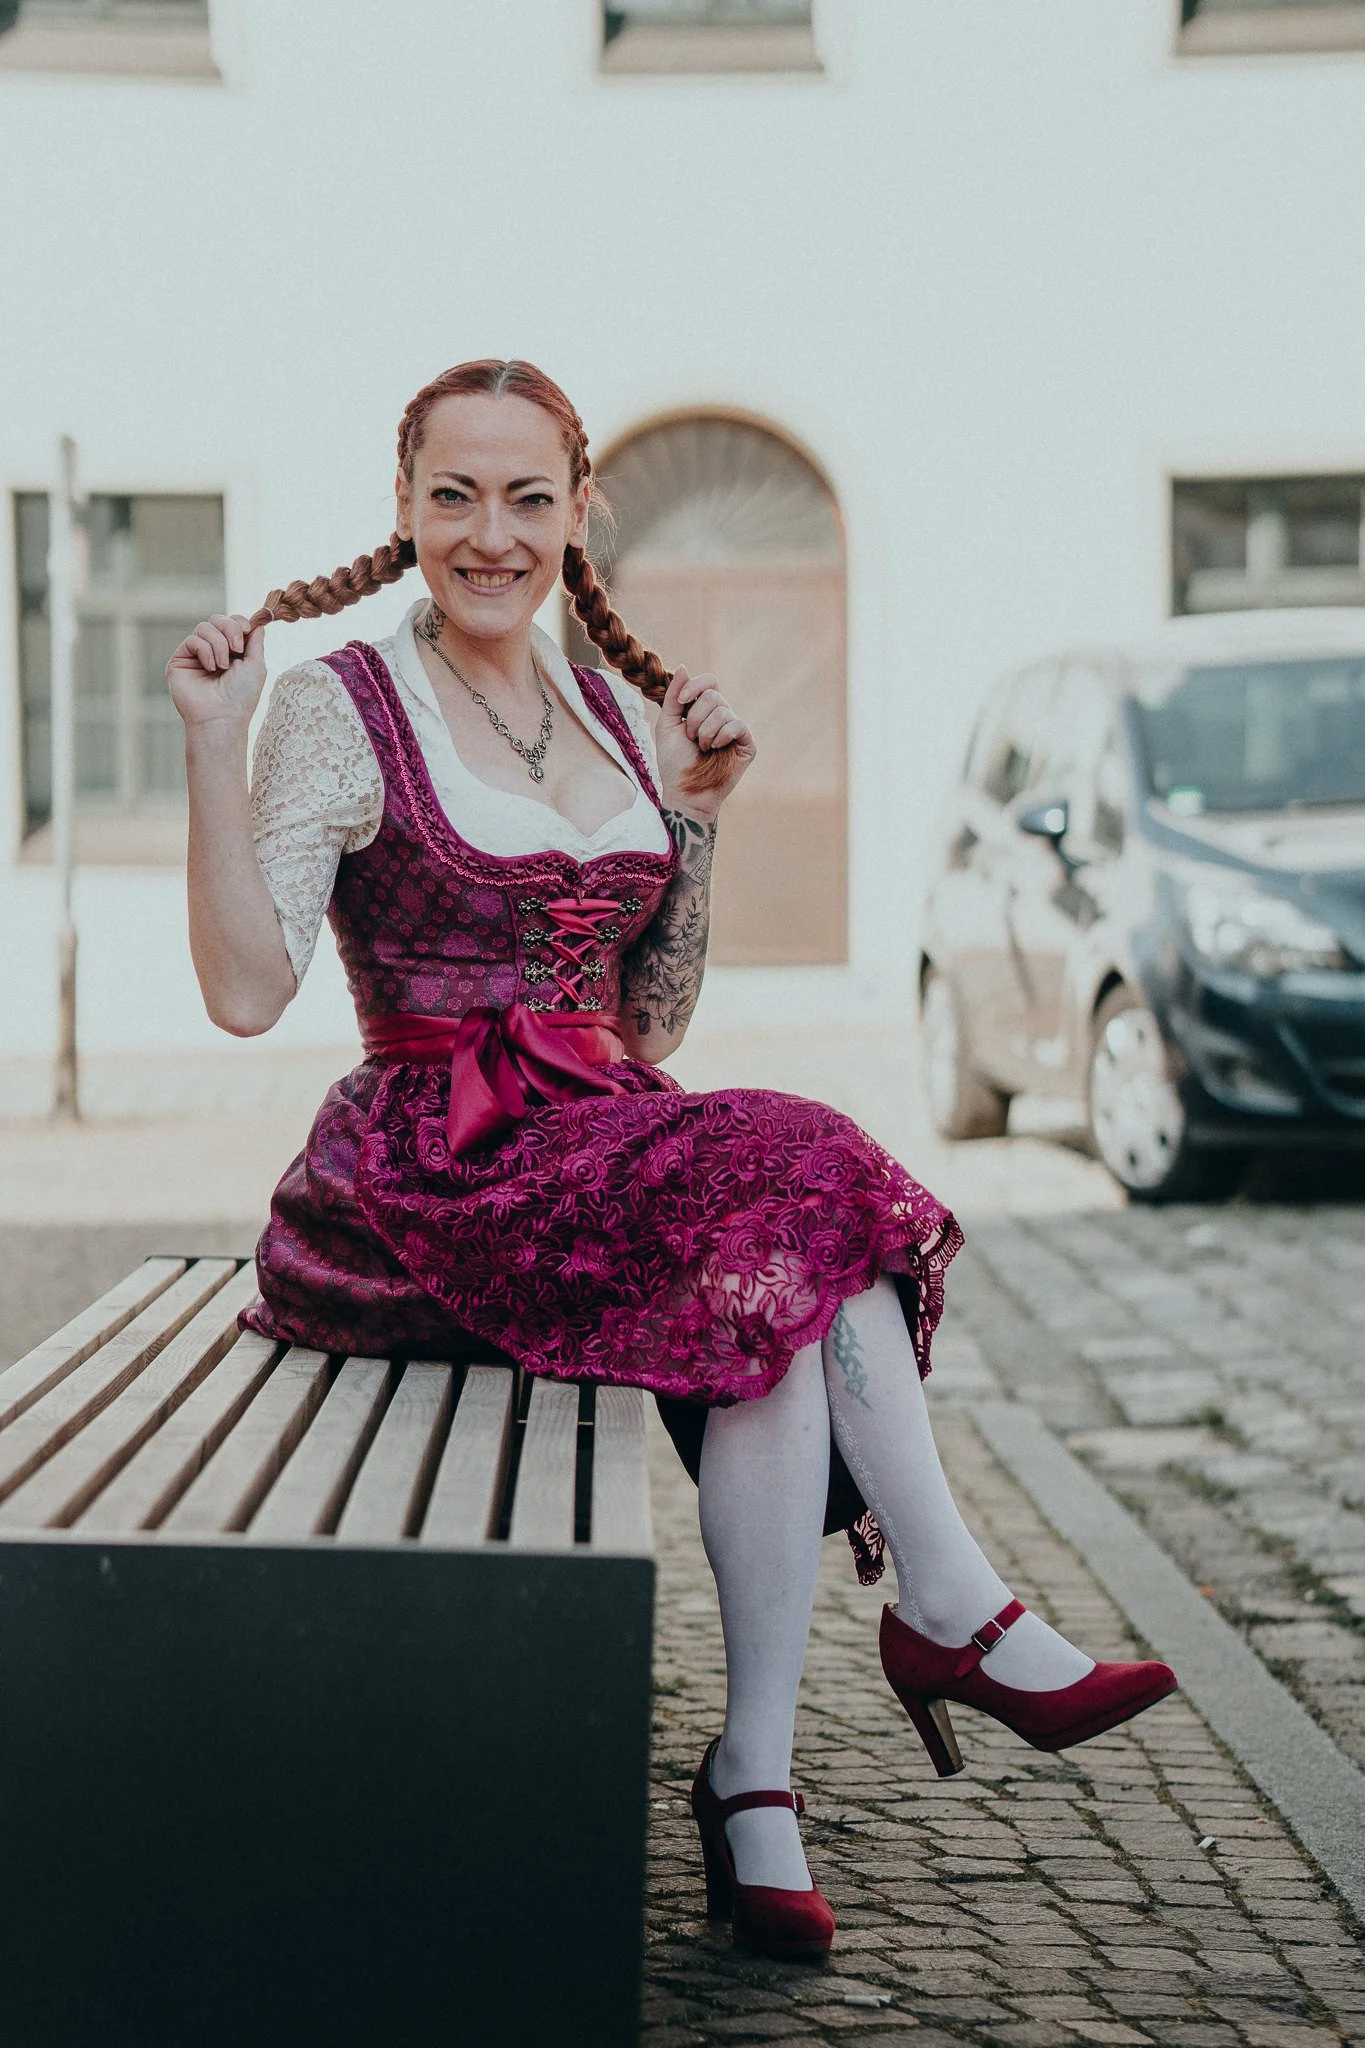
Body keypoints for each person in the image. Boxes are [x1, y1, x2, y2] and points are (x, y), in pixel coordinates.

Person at [167, 358, 1175, 1963]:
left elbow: (651, 1013)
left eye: (526, 498)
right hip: (425, 1181)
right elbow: (239, 993)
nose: (489, 533)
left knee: (776, 1281)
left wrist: (693, 819)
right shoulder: (335, 706)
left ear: (580, 513)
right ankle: (952, 1609)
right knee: (797, 1172)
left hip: (596, 1146)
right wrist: (212, 751)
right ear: (406, 507)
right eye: (453, 495)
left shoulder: (610, 709)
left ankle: (758, 1780)